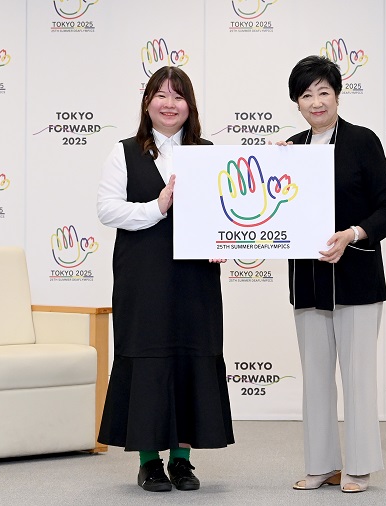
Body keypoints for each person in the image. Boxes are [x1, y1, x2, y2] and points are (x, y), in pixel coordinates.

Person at [96, 66, 234, 493]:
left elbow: (226, 213)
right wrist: (156, 206)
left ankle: (183, 461)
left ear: (189, 105)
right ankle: (149, 461)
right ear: (147, 102)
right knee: (149, 357)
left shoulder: (209, 153)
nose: (169, 103)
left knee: (192, 356)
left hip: (196, 279)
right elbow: (107, 210)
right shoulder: (123, 152)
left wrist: (224, 240)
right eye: (161, 95)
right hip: (144, 275)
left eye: (178, 96)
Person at [283, 55, 386, 493]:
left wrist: (352, 234)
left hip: (357, 279)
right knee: (314, 377)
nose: (316, 102)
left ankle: (360, 466)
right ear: (297, 102)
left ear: (337, 94)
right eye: (306, 95)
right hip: (307, 280)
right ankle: (321, 464)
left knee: (357, 376)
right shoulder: (290, 150)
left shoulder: (363, 142)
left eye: (323, 92)